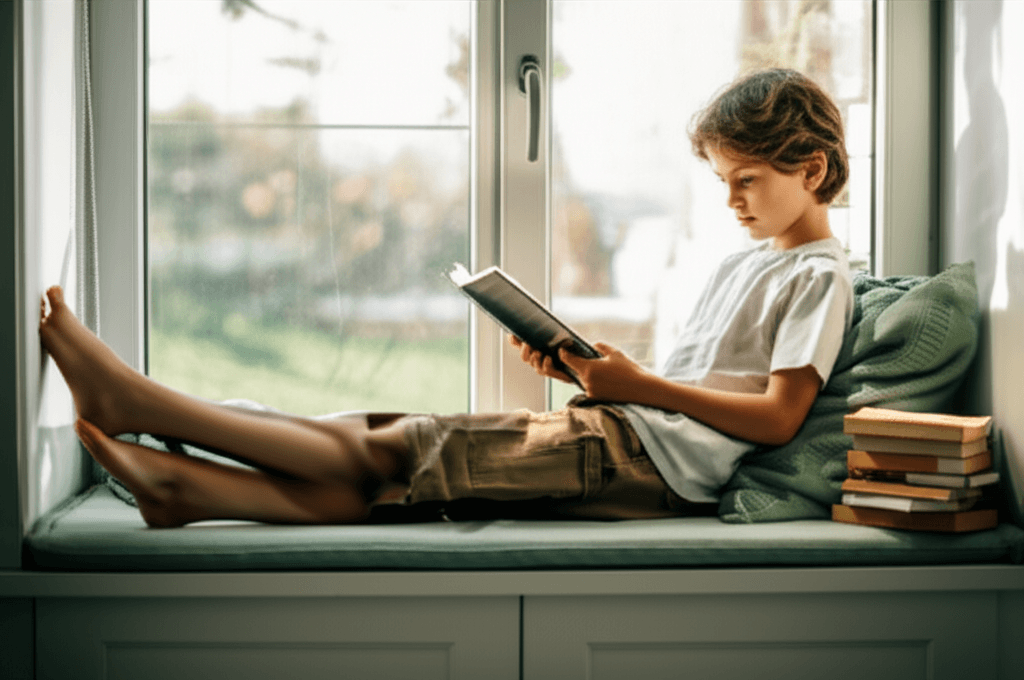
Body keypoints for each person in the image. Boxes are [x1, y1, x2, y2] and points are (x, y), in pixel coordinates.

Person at [39, 68, 853, 528]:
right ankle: (190, 490)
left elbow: (778, 416)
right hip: (618, 435)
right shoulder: (744, 262)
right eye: (722, 181)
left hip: (644, 465)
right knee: (381, 460)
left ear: (810, 170)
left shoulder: (818, 275)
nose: (732, 199)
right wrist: (586, 376)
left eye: (747, 180)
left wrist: (635, 387)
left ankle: (140, 402)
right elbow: (706, 393)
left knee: (393, 450)